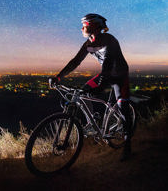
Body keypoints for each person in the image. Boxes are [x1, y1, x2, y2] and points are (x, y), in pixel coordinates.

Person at [49, 13, 132, 161]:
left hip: (119, 76)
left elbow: (107, 64)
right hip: (105, 74)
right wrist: (58, 77)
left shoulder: (109, 40)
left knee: (122, 106)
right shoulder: (89, 43)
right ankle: (92, 122)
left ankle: (127, 145)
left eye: (84, 25)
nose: (82, 28)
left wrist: (101, 86)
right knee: (83, 92)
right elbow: (75, 62)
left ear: (93, 26)